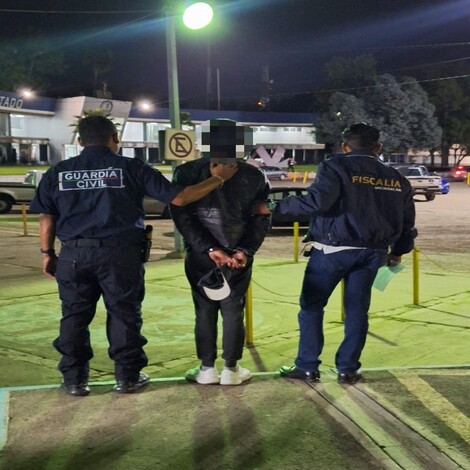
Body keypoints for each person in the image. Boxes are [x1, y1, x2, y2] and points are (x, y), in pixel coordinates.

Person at [29, 114, 237, 397]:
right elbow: (180, 198)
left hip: (74, 255)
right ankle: (127, 378)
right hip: (120, 255)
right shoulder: (130, 168)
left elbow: (46, 217)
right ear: (115, 138)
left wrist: (47, 253)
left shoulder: (58, 172)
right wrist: (217, 179)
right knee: (124, 315)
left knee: (74, 316)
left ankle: (75, 380)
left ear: (79, 141)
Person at [273, 122, 417, 384]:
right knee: (357, 311)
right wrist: (398, 252)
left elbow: (316, 202)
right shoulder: (397, 178)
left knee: (312, 306)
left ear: (345, 146)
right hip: (373, 253)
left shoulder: (335, 166)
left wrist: (273, 207)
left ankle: (307, 366)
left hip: (333, 250)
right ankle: (348, 369)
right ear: (378, 147)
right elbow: (407, 222)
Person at [171, 119, 271, 386]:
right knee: (233, 310)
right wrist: (245, 250)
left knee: (203, 309)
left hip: (202, 256)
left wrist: (209, 248)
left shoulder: (187, 172)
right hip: (238, 257)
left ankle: (206, 369)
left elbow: (183, 219)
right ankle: (231, 369)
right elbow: (261, 217)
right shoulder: (255, 175)